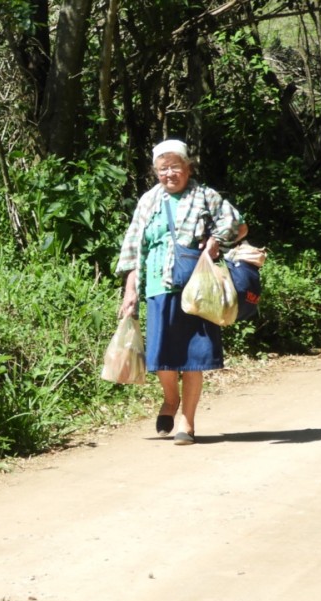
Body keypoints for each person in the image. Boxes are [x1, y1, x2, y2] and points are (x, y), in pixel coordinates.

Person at [117, 139, 246, 445]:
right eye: (163, 168)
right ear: (155, 171)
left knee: (193, 357)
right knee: (162, 357)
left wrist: (215, 241)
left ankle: (187, 422)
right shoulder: (149, 201)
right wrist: (130, 290)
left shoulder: (205, 196)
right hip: (159, 287)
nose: (170, 173)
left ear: (188, 167)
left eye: (176, 166)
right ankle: (170, 400)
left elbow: (238, 225)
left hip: (198, 290)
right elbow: (135, 246)